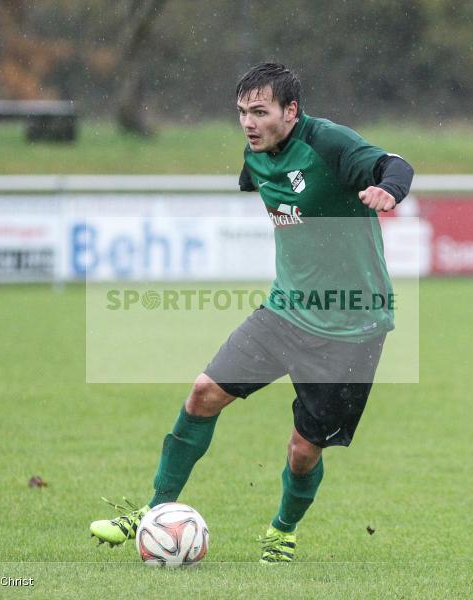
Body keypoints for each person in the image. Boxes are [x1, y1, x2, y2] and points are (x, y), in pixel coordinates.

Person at [90, 63, 414, 563]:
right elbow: (261, 182)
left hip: (353, 326)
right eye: (242, 112)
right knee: (203, 394)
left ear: (291, 111)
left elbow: (395, 164)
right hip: (285, 312)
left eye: (259, 112)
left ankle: (282, 531)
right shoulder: (257, 154)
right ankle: (153, 513)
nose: (248, 122)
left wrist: (387, 189)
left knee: (303, 452)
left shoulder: (329, 144)